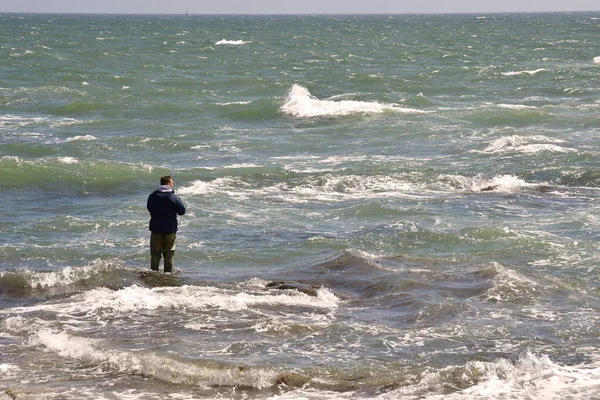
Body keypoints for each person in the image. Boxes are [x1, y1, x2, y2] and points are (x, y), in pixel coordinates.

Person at [147, 175, 186, 273]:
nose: (173, 185)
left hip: (156, 229)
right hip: (170, 229)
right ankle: (168, 275)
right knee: (169, 254)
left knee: (155, 254)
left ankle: (153, 274)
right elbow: (182, 211)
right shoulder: (174, 198)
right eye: (172, 183)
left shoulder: (152, 196)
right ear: (169, 184)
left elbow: (149, 208)